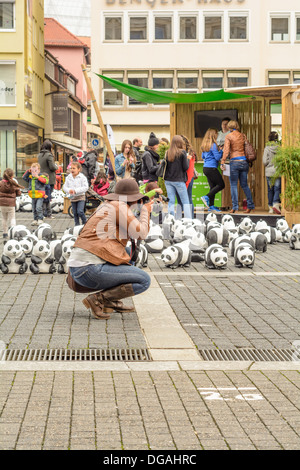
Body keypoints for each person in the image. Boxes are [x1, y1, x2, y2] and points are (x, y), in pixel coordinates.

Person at [67, 178, 152, 320]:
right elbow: (141, 233)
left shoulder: (107, 206)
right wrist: (145, 211)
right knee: (144, 280)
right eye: (137, 200)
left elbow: (132, 233)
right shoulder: (120, 207)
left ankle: (109, 302)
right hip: (89, 270)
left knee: (127, 255)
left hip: (78, 270)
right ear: (131, 200)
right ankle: (98, 299)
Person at [221, 121, 255, 214]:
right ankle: (250, 206)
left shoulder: (229, 136)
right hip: (244, 162)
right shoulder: (242, 135)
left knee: (233, 185)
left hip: (234, 162)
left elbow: (226, 150)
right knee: (244, 185)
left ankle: (235, 207)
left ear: (229, 127)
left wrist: (223, 161)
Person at [164, 135, 192, 220]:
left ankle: (170, 219)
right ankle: (188, 220)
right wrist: (188, 159)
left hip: (168, 180)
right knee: (185, 201)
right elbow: (185, 167)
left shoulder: (168, 152)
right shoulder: (182, 152)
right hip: (179, 180)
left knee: (171, 201)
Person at [201, 129, 225, 213]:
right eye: (216, 134)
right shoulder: (213, 145)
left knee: (212, 187)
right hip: (212, 168)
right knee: (221, 185)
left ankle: (211, 206)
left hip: (205, 168)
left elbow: (203, 156)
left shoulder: (204, 145)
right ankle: (206, 197)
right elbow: (218, 158)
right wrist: (221, 151)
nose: (217, 135)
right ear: (213, 135)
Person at [63, 162, 89, 227]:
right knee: (75, 213)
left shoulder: (82, 177)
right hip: (72, 197)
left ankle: (85, 222)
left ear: (79, 169)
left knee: (80, 211)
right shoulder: (68, 177)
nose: (72, 170)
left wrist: (76, 191)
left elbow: (86, 187)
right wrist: (69, 190)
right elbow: (64, 187)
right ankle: (77, 225)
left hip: (81, 197)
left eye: (74, 168)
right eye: (71, 168)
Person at [0, 169, 23, 240]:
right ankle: (13, 233)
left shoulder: (0, 183)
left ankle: (5, 233)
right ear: (12, 176)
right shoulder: (13, 183)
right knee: (12, 218)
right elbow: (19, 193)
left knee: (4, 218)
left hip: (2, 204)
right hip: (11, 204)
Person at [263, 131, 281, 215]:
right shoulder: (280, 148)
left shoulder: (267, 148)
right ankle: (275, 204)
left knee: (270, 190)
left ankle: (270, 208)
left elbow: (264, 161)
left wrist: (268, 163)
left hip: (269, 172)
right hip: (277, 171)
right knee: (277, 189)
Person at [181, 135, 197, 217]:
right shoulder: (191, 152)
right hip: (189, 178)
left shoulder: (186, 154)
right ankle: (190, 218)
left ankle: (188, 218)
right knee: (189, 199)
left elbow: (188, 168)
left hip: (185, 178)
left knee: (186, 199)